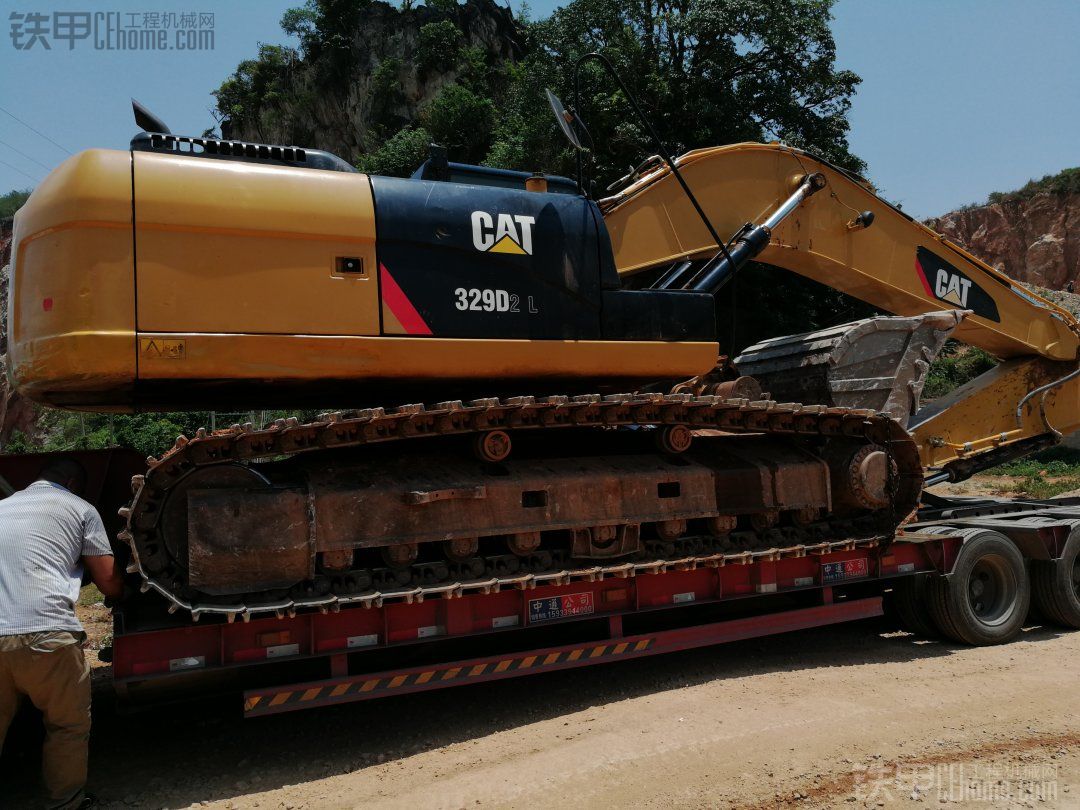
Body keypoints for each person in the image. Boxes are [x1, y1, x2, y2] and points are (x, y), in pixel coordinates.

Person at [0, 458, 124, 809]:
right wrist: (122, 592)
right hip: (46, 633)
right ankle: (66, 803)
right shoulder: (80, 508)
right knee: (66, 725)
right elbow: (108, 581)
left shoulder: (2, 507)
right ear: (71, 481)